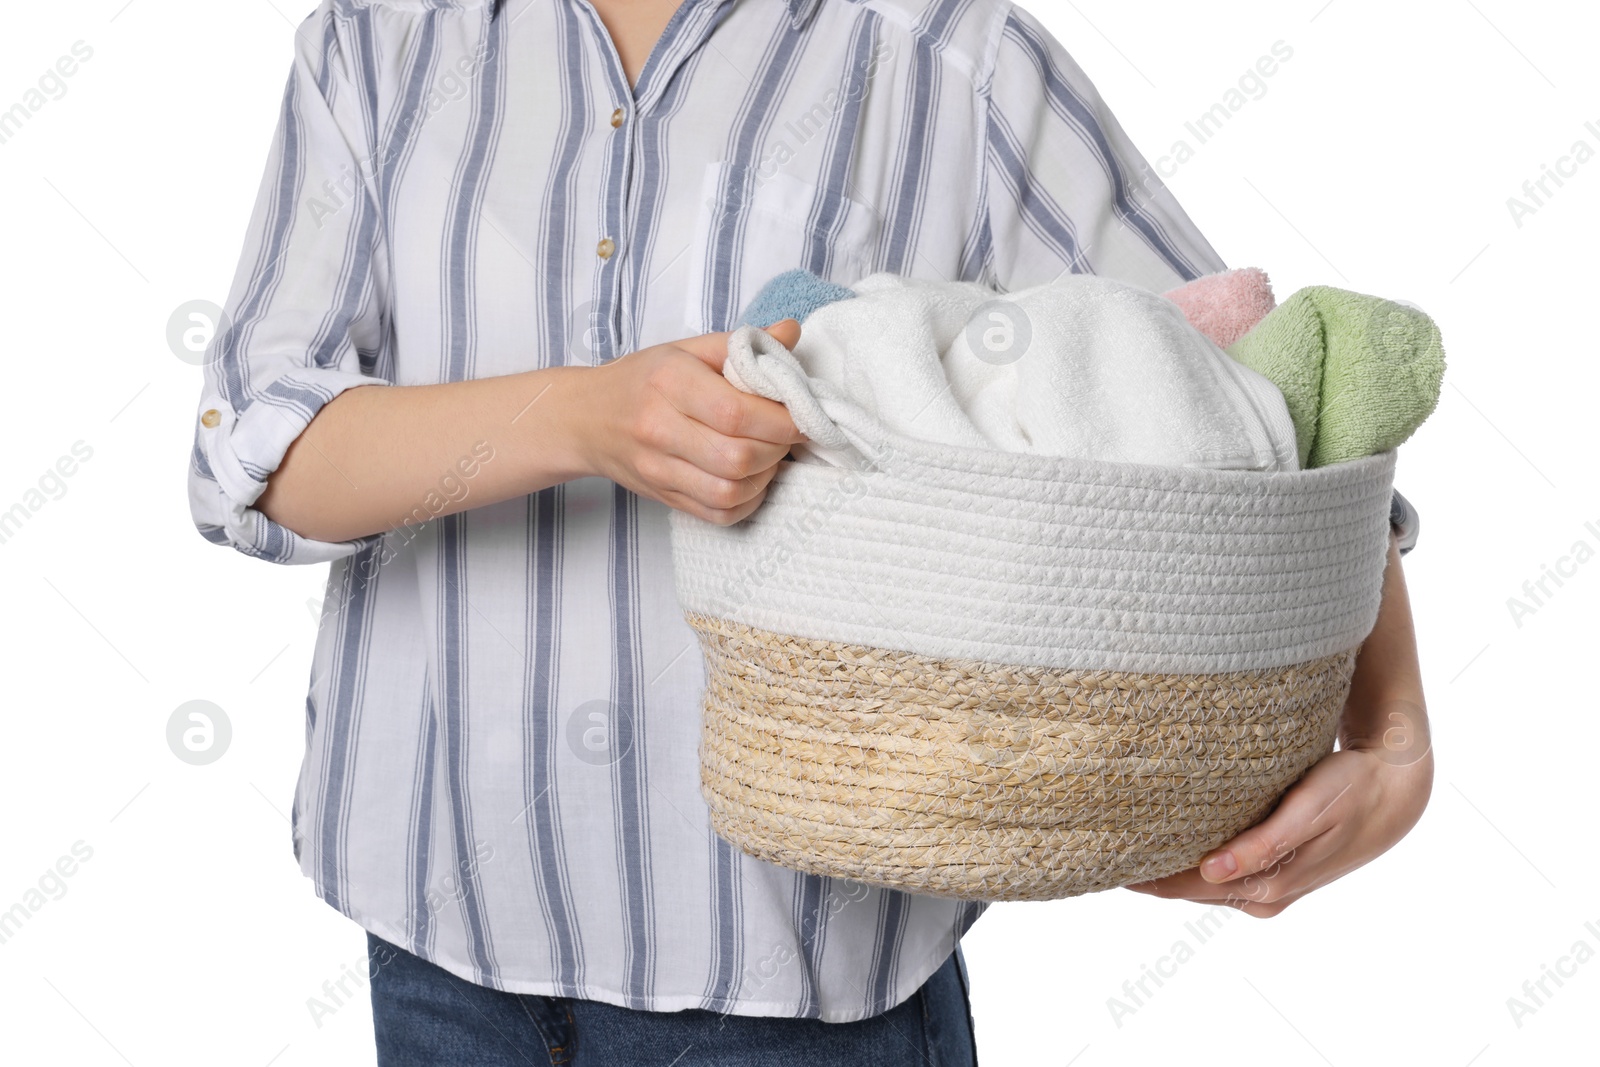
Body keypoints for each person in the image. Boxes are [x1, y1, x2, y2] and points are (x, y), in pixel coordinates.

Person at [185, 0, 1433, 1063]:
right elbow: (251, 447)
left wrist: (1391, 733)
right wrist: (581, 414)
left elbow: (1257, 406)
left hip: (798, 975)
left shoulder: (948, 52)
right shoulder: (378, 42)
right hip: (429, 922)